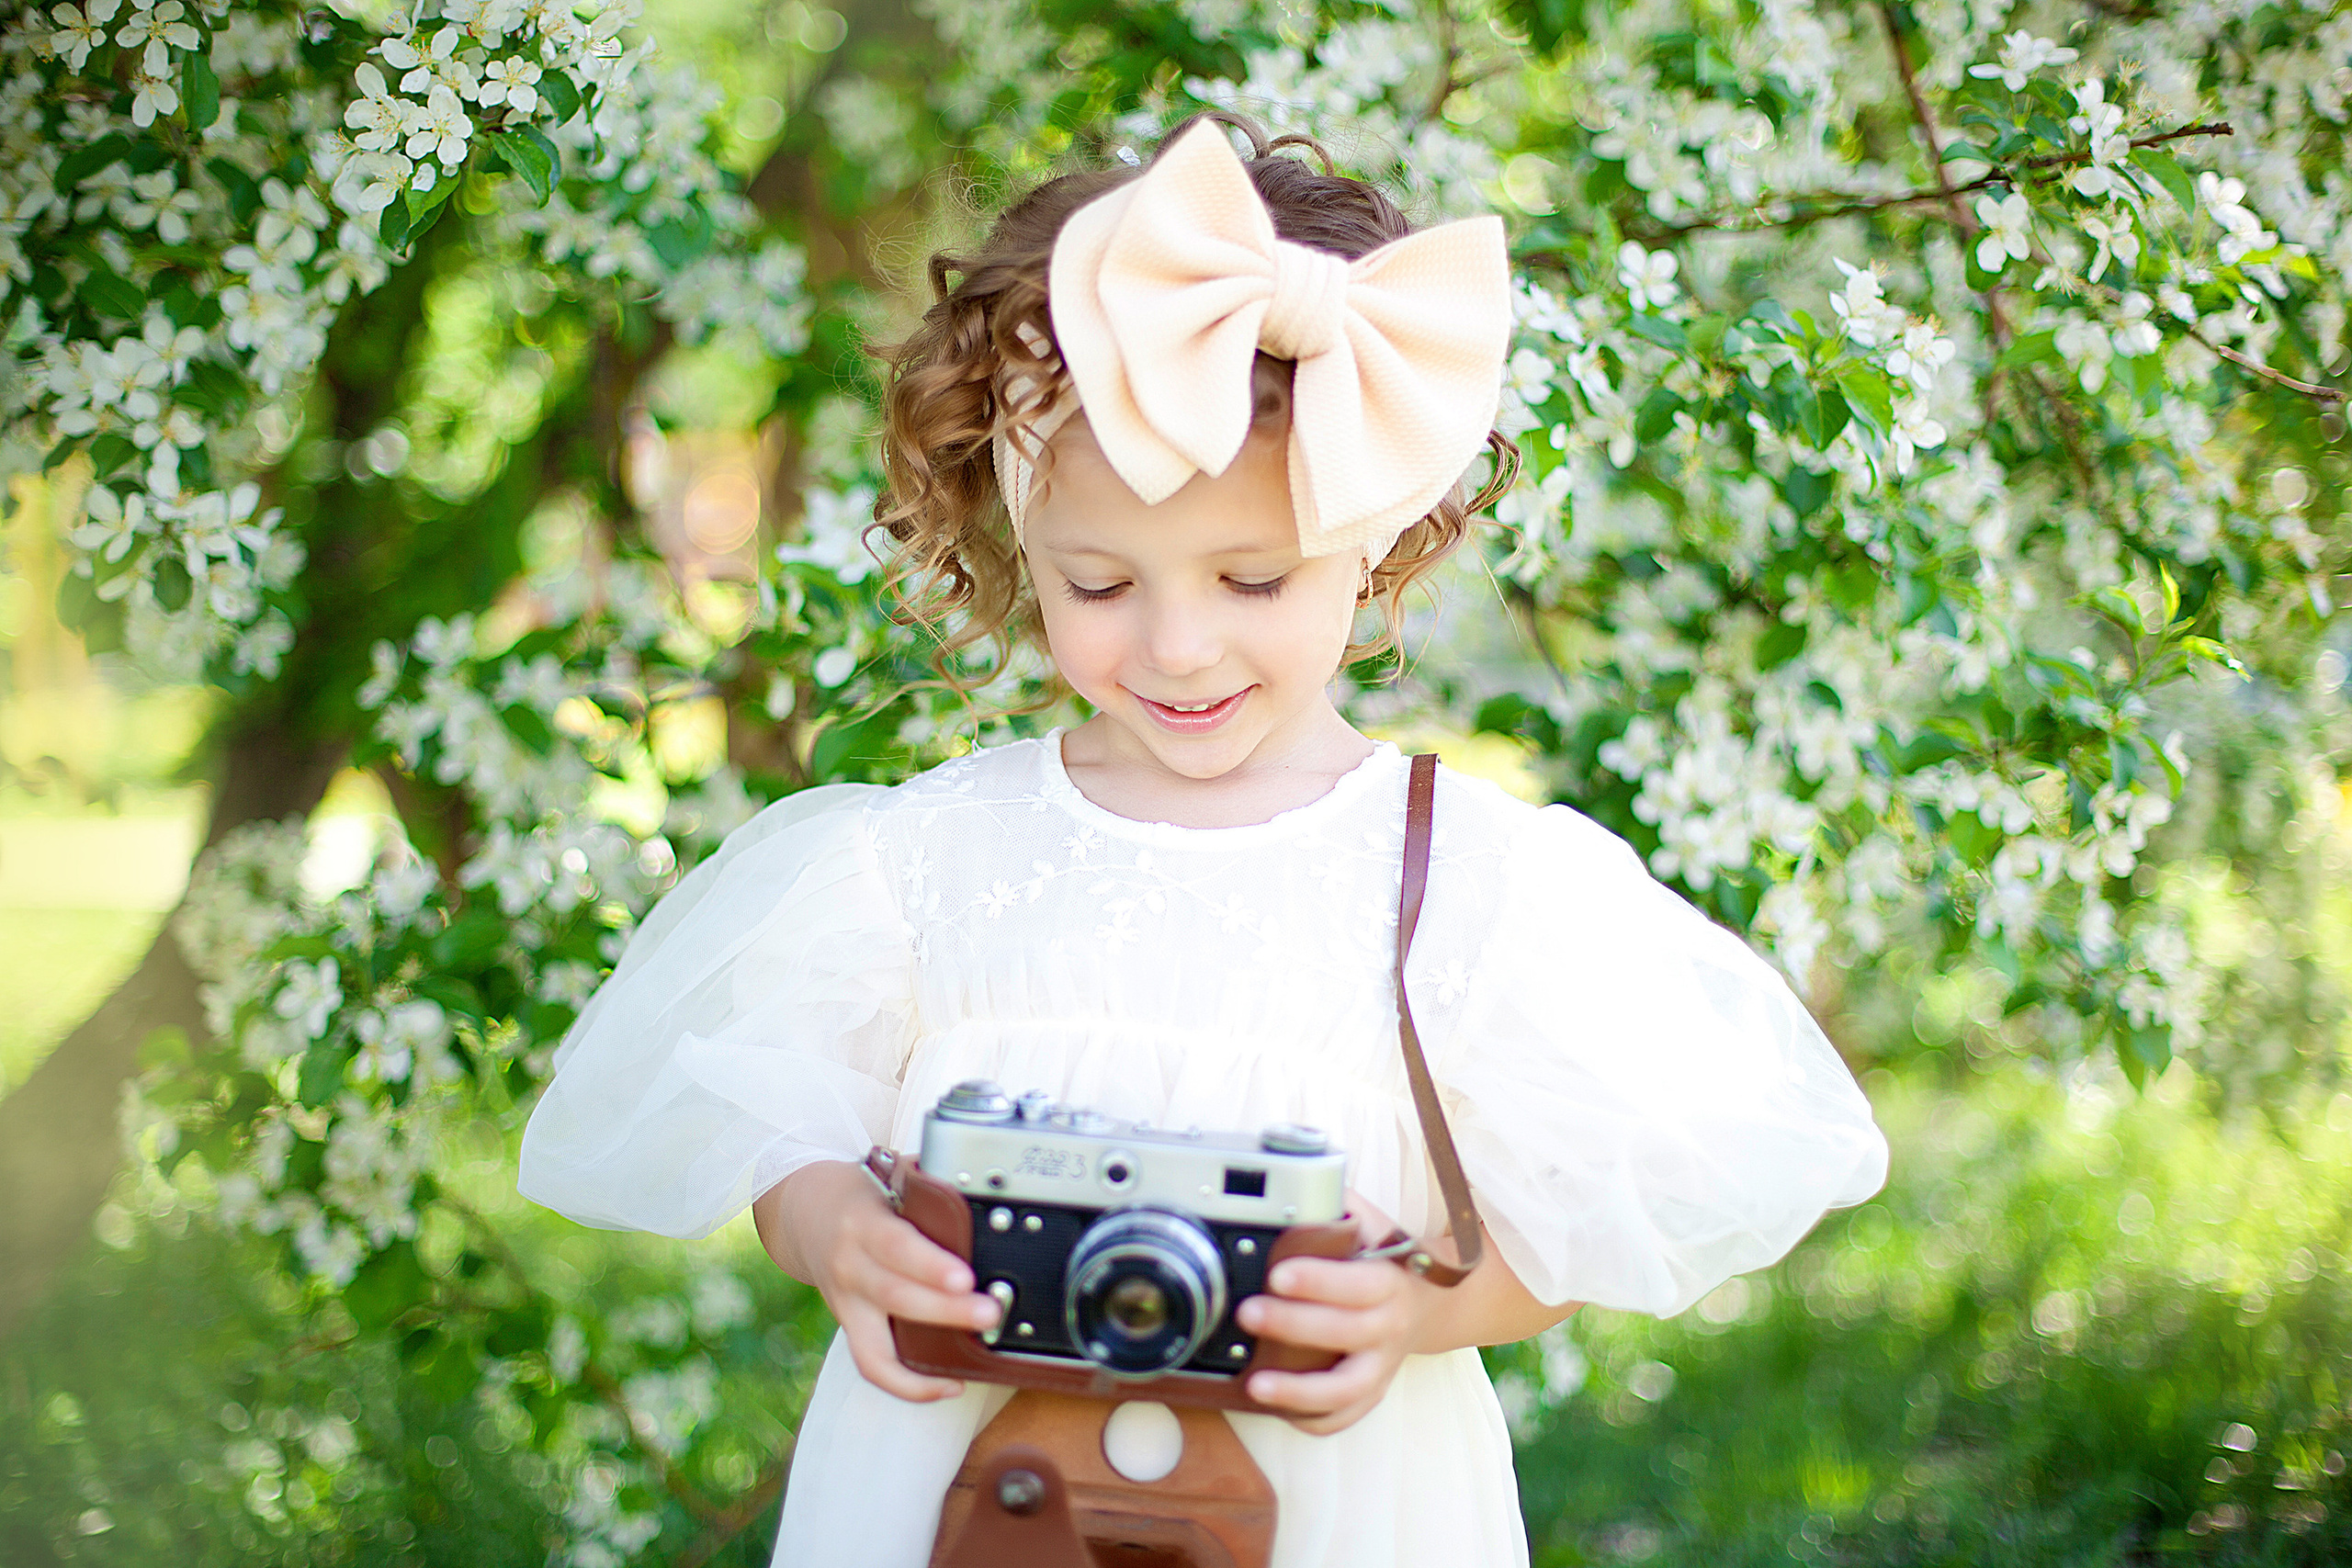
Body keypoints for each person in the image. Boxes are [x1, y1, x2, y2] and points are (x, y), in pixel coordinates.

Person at [517, 111, 1889, 1567]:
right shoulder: (923, 863)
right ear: (1013, 532)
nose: (1178, 646)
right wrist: (829, 1232)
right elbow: (785, 1121)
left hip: (1334, 1500)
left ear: (1380, 532)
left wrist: (1421, 1310)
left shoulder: (1473, 888)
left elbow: (1554, 1226)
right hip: (960, 1496)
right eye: (1098, 583)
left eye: (1252, 577)